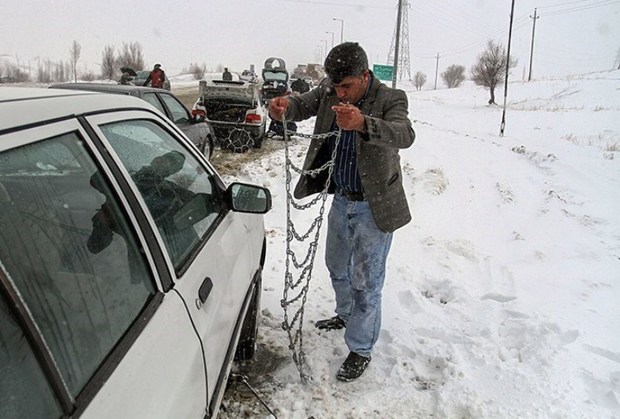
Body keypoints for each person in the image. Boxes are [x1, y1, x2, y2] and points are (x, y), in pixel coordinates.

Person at [268, 42, 415, 382]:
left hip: (374, 206)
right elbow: (301, 104)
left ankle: (361, 348)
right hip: (341, 199)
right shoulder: (329, 90)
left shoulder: (391, 98)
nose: (340, 94)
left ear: (365, 76)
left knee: (366, 282)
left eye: (346, 87)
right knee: (336, 265)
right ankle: (345, 314)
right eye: (335, 87)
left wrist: (364, 123)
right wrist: (283, 107)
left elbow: (404, 134)